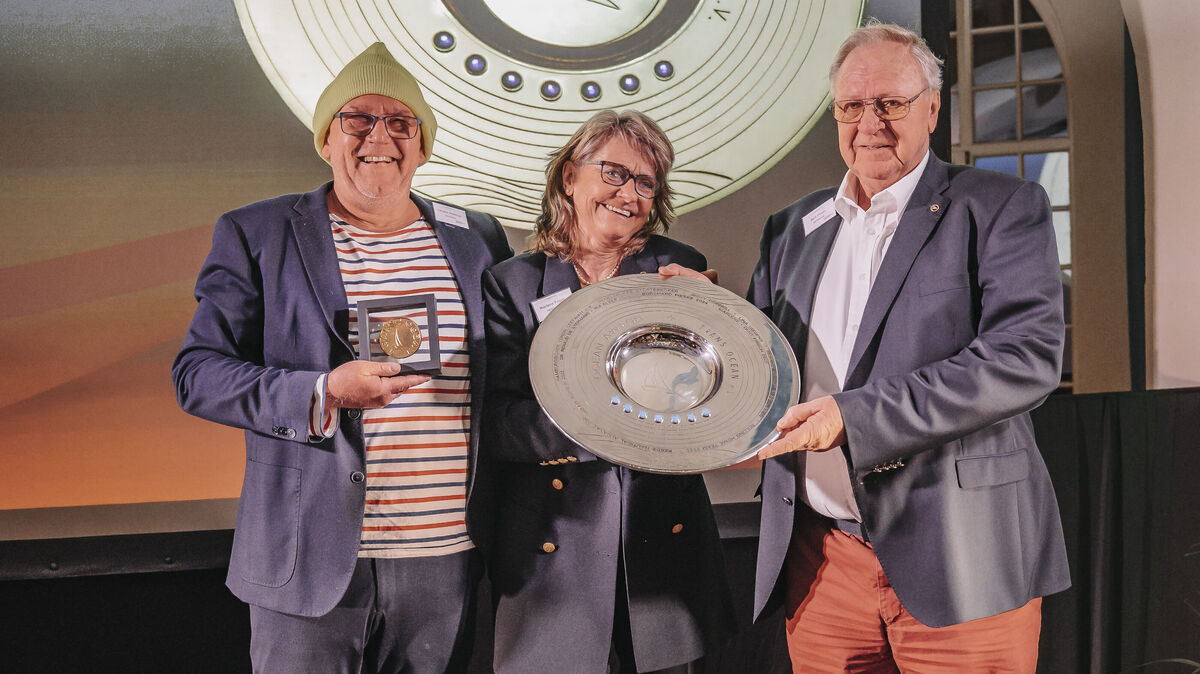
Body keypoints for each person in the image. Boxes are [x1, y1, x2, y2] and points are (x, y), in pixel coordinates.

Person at [172, 42, 512, 672]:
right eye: (357, 119)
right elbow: (198, 375)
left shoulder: (477, 237)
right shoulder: (259, 232)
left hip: (445, 558)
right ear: (326, 140)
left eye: (401, 122)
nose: (379, 136)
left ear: (423, 145)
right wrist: (322, 392)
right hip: (309, 555)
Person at [749, 22, 1071, 672]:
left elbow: (1024, 358)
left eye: (890, 103)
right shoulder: (792, 229)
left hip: (962, 554)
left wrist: (854, 417)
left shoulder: (1001, 206)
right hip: (823, 558)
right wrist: (694, 312)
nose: (869, 123)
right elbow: (758, 362)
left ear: (931, 108)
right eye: (851, 106)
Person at [481, 109, 736, 673]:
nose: (629, 194)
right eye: (614, 173)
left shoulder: (678, 269)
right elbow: (499, 424)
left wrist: (724, 324)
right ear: (570, 175)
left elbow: (716, 403)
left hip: (664, 550)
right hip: (552, 558)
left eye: (646, 182)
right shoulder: (512, 283)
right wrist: (611, 425)